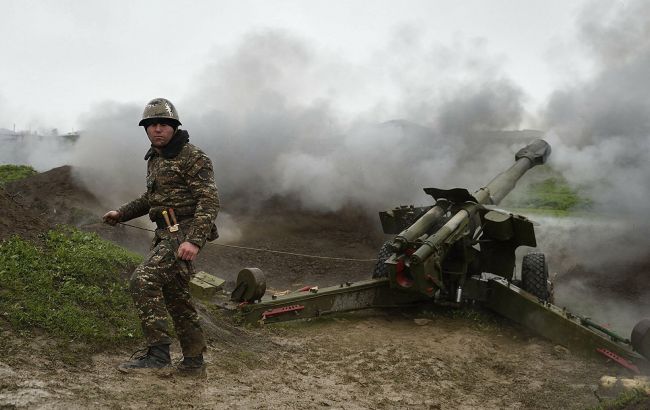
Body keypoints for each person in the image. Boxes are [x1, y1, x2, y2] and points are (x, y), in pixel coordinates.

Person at [103, 98, 219, 375]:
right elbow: (151, 198)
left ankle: (158, 354)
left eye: (164, 124)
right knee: (177, 299)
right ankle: (193, 361)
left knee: (142, 281)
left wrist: (195, 240)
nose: (158, 129)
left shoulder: (193, 157)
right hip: (165, 233)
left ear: (174, 127)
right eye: (152, 124)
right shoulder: (155, 158)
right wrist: (120, 214)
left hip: (183, 235)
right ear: (145, 129)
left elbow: (209, 200)